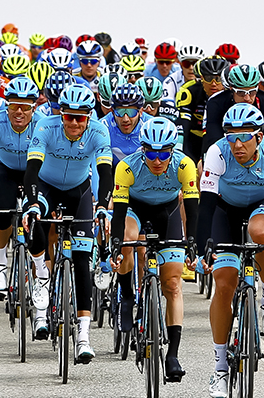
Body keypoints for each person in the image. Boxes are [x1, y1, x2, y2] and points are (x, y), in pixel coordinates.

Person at [198, 103, 264, 397]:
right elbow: (207, 205)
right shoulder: (217, 152)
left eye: (244, 137)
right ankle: (220, 368)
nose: (237, 145)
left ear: (259, 137)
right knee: (224, 284)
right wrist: (202, 248)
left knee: (261, 231)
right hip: (225, 210)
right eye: (231, 137)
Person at [22, 84, 112, 362]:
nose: (74, 123)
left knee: (83, 259)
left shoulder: (99, 131)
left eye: (80, 117)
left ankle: (83, 336)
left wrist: (102, 207)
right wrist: (33, 202)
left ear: (88, 116)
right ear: (60, 114)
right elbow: (32, 170)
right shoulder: (45, 128)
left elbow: (104, 172)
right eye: (68, 116)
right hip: (46, 187)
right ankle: (41, 274)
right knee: (34, 220)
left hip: (79, 191)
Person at [110, 117, 198, 381]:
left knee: (172, 284)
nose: (157, 159)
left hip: (167, 213)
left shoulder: (184, 165)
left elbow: (192, 210)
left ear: (173, 150)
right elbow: (119, 213)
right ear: (142, 149)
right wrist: (116, 246)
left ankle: (172, 354)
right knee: (128, 236)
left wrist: (191, 242)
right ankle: (127, 295)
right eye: (151, 152)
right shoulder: (127, 167)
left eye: (163, 153)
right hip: (135, 209)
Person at [0, 77, 44, 293]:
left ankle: (40, 273)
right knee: (2, 212)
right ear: (6, 105)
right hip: (4, 169)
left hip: (33, 171)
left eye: (25, 107)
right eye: (14, 106)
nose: (19, 112)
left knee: (36, 216)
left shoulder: (42, 124)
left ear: (33, 107)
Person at [203, 64, 264, 160]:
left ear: (258, 88)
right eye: (240, 92)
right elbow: (213, 140)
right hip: (228, 151)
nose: (247, 98)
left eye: (252, 92)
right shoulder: (216, 103)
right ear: (231, 89)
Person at [175, 56, 228, 164]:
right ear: (202, 78)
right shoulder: (190, 92)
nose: (213, 83)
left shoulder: (230, 96)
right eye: (209, 78)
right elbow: (184, 126)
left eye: (218, 79)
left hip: (221, 139)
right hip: (193, 139)